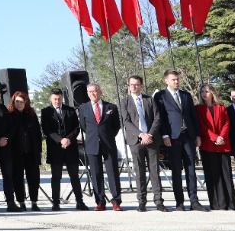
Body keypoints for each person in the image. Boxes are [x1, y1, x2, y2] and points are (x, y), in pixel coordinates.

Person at [155, 69, 204, 211]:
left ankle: (194, 201)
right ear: (166, 81)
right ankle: (179, 202)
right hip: (172, 138)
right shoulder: (160, 96)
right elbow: (161, 118)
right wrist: (164, 135)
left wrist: (197, 135)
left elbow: (193, 116)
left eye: (177, 79)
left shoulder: (186, 95)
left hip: (188, 136)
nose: (176, 82)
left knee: (191, 169)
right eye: (173, 79)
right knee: (176, 170)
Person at [120, 74, 166, 212]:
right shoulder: (124, 102)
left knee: (154, 171)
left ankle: (158, 201)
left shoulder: (150, 100)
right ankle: (142, 201)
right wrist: (141, 135)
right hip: (136, 141)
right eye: (131, 84)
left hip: (152, 140)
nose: (134, 86)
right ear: (128, 86)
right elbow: (126, 121)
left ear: (141, 85)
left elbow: (157, 117)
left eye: (137, 84)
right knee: (139, 172)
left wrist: (149, 134)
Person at [41, 88, 87, 210]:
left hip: (70, 148)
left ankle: (80, 201)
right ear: (51, 98)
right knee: (56, 177)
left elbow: (76, 128)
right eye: (55, 99)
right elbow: (47, 130)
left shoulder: (70, 110)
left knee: (74, 176)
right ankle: (56, 202)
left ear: (62, 98)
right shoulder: (46, 112)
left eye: (59, 99)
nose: (57, 101)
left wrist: (68, 139)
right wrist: (60, 140)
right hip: (55, 149)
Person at [78, 83, 122, 211]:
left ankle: (116, 201)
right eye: (90, 92)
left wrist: (106, 136)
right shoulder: (83, 108)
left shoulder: (111, 107)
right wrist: (95, 136)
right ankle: (100, 201)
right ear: (87, 93)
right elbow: (83, 126)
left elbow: (116, 126)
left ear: (100, 91)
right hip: (92, 145)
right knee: (96, 174)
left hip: (108, 144)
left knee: (112, 173)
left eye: (95, 91)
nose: (93, 93)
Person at [196, 84, 235, 211]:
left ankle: (230, 204)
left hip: (223, 145)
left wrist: (221, 137)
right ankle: (218, 204)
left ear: (212, 93)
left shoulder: (221, 107)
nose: (204, 94)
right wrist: (214, 137)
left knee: (226, 174)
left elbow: (226, 123)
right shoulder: (198, 109)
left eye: (206, 91)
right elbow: (202, 127)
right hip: (208, 146)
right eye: (202, 92)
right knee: (213, 175)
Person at [7, 91, 42, 211]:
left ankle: (34, 202)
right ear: (13, 102)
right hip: (16, 153)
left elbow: (38, 134)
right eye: (17, 101)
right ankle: (21, 201)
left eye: (21, 101)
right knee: (17, 178)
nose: (19, 104)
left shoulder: (31, 115)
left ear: (25, 102)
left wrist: (39, 151)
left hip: (31, 152)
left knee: (33, 177)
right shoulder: (9, 115)